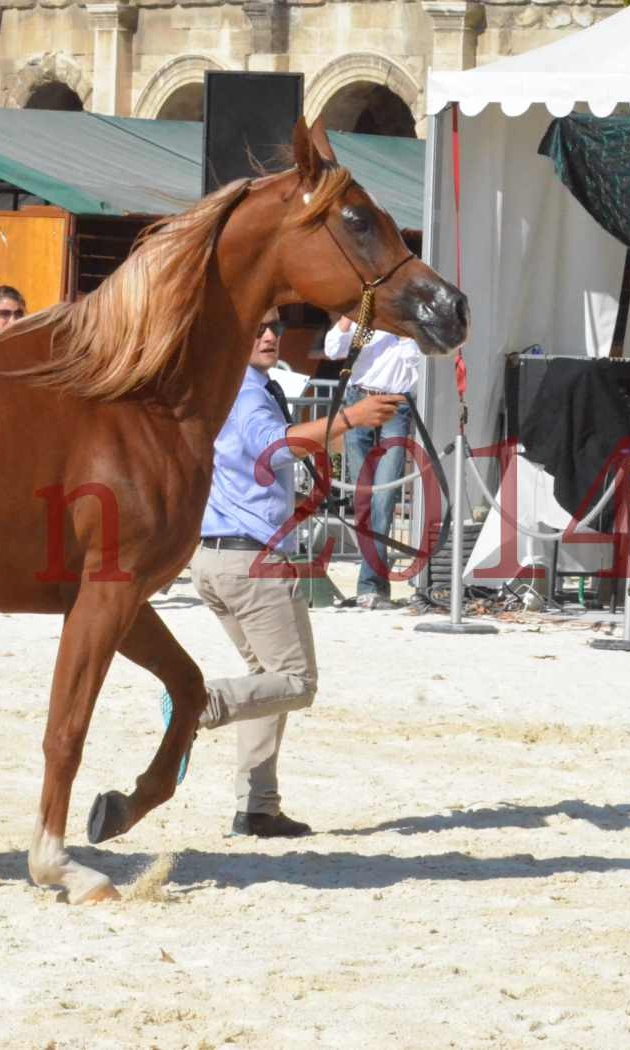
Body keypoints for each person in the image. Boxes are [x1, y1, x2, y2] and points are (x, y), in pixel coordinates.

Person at [173, 311, 401, 837]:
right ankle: (197, 705)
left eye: (274, 326)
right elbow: (274, 445)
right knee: (296, 682)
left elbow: (257, 462)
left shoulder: (225, 386)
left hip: (215, 559)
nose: (271, 335)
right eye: (258, 328)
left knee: (267, 682)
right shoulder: (248, 393)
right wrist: (348, 419)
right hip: (251, 563)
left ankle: (257, 807)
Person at [322, 314, 422, 609]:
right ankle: (374, 586)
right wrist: (348, 315)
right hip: (360, 400)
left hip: (395, 405)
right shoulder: (364, 321)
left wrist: (403, 333)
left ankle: (369, 584)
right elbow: (333, 349)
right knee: (364, 496)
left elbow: (413, 365)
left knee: (384, 496)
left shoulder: (406, 325)